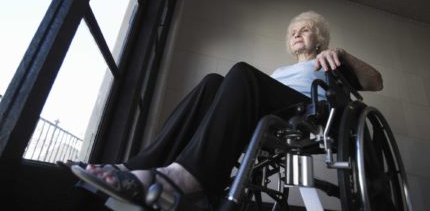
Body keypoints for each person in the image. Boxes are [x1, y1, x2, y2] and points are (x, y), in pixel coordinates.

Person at [66, 11, 383, 207]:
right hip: (268, 114)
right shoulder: (278, 73)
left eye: (305, 30)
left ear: (319, 38)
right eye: (293, 32)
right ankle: (136, 166)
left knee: (243, 74)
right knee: (213, 81)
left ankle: (188, 179)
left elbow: (376, 82)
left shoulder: (329, 60)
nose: (296, 34)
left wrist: (341, 54)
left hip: (305, 115)